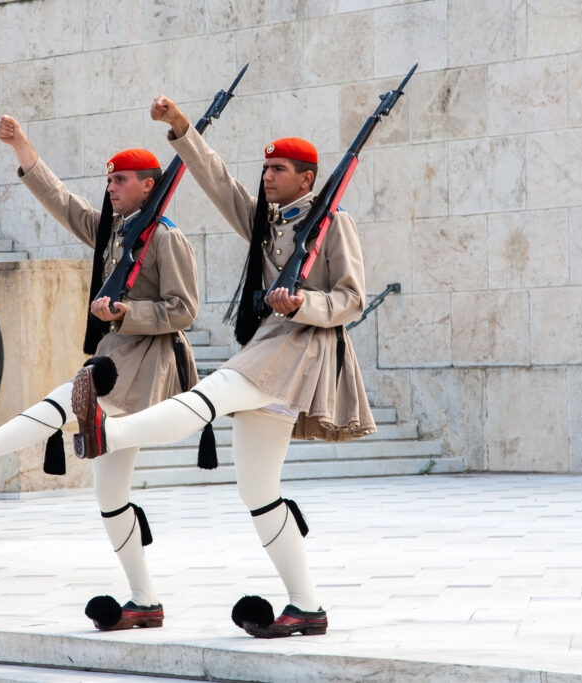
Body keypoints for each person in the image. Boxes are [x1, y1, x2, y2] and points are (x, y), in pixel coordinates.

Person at [67, 95, 377, 639]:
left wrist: (305, 303)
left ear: (308, 179)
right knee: (256, 488)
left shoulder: (335, 225)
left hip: (300, 352)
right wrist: (182, 128)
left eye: (278, 169)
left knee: (212, 393)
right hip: (272, 346)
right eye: (265, 168)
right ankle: (308, 607)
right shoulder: (266, 220)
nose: (267, 177)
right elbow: (217, 181)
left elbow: (352, 297)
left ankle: (106, 430)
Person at [0, 114, 200, 631]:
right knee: (109, 496)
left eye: (119, 180)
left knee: (62, 403)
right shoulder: (114, 232)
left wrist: (127, 313)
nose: (110, 188)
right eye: (108, 180)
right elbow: (62, 203)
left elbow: (185, 309)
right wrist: (23, 149)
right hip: (113, 357)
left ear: (150, 186)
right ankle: (145, 601)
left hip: (145, 366)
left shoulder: (166, 238)